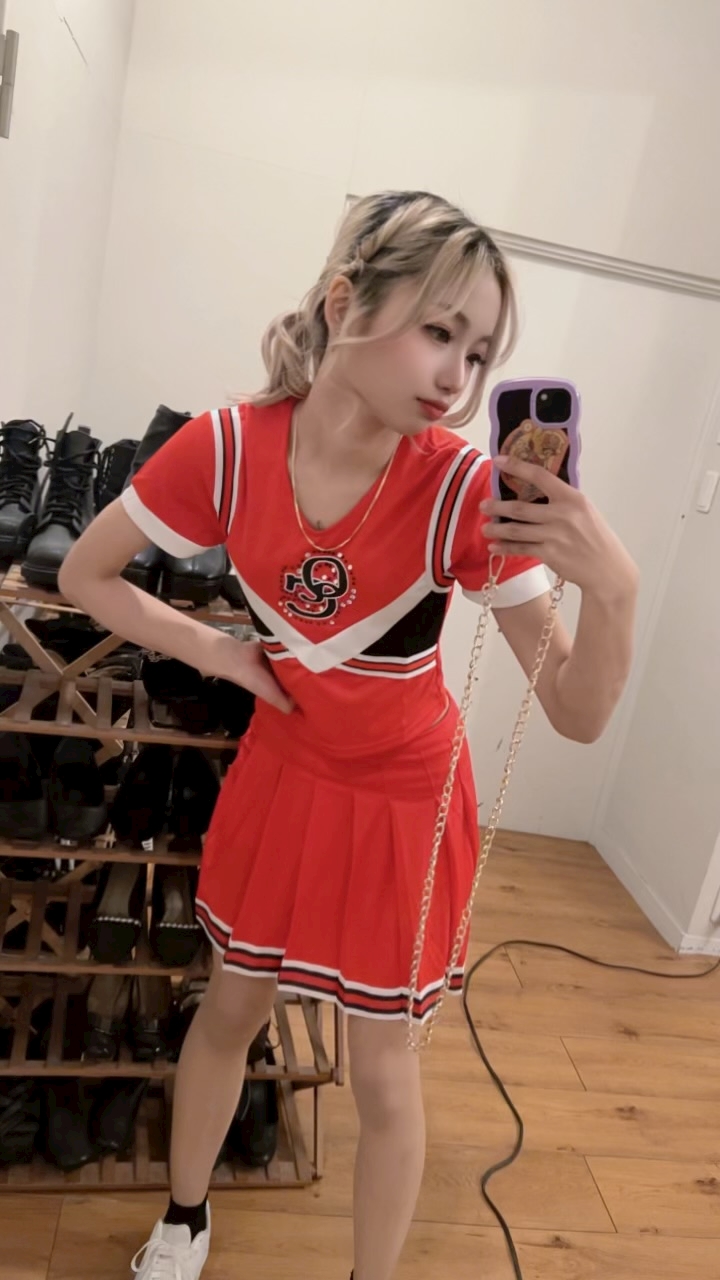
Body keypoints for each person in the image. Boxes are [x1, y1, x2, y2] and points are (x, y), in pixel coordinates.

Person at [59, 190, 638, 1280]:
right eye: (440, 330)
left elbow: (575, 708)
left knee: (381, 1068)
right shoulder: (228, 447)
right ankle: (183, 1220)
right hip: (284, 773)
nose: (458, 374)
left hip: (404, 801)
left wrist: (615, 589)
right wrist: (221, 651)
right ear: (344, 303)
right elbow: (89, 572)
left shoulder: (463, 487)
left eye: (480, 352)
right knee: (227, 1008)